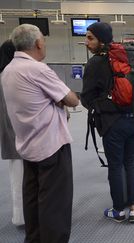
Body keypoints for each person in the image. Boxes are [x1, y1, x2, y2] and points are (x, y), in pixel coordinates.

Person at [2, 24, 79, 242]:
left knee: (33, 198)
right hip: (51, 145)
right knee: (55, 202)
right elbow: (72, 99)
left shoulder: (8, 70)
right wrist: (60, 101)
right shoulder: (38, 69)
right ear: (37, 43)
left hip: (27, 144)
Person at [81, 22, 134, 223]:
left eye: (90, 38)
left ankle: (118, 210)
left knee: (116, 166)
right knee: (132, 163)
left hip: (112, 123)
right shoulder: (128, 57)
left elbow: (86, 98)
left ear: (102, 39)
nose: (86, 42)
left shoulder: (95, 63)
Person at [0, 39, 24, 227]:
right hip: (20, 134)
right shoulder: (12, 76)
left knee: (17, 179)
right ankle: (24, 217)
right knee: (23, 179)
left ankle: (20, 216)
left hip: (10, 134)